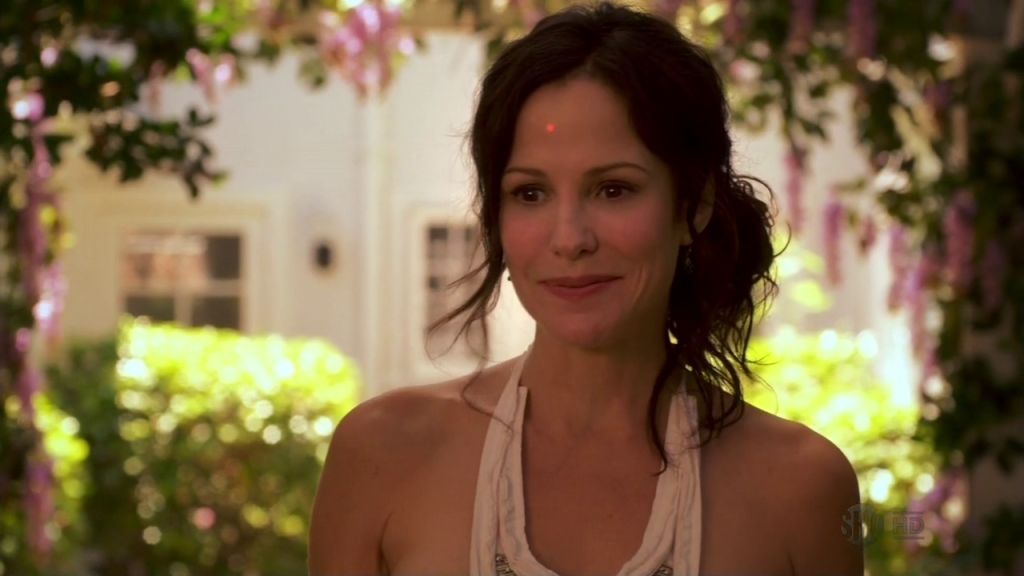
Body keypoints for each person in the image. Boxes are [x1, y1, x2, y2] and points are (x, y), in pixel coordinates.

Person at [309, 2, 864, 575]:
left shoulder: (801, 488)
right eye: (530, 193)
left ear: (692, 206)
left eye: (614, 189)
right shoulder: (382, 456)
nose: (569, 239)